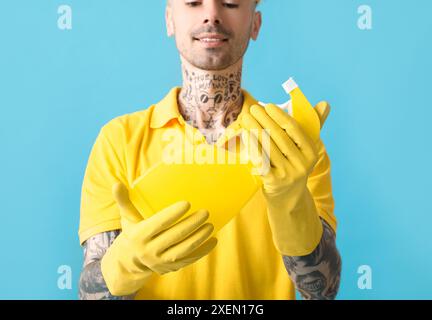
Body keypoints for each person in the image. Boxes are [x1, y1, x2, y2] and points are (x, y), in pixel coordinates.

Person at [78, 0, 341, 300]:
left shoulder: (291, 143)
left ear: (255, 24)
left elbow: (322, 291)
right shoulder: (118, 141)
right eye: (193, 2)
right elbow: (90, 296)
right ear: (169, 20)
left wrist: (291, 202)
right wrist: (125, 266)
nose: (211, 14)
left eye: (230, 3)